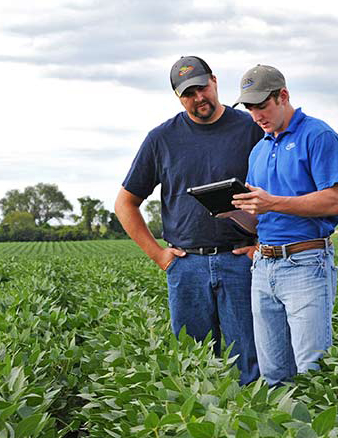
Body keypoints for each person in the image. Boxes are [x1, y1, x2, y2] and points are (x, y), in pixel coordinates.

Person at [114, 56, 263, 385]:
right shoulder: (162, 139)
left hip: (241, 262)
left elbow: (277, 192)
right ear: (178, 97)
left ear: (214, 80)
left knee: (249, 363)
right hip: (186, 267)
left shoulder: (250, 129)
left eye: (202, 87)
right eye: (188, 93)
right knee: (192, 367)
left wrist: (261, 244)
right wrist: (160, 256)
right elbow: (125, 203)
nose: (198, 98)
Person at [231, 64, 338, 386]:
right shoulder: (259, 149)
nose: (256, 115)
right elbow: (261, 212)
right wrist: (234, 212)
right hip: (263, 266)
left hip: (305, 263)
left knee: (312, 371)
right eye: (250, 108)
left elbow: (335, 201)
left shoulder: (318, 135)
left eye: (262, 105)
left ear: (283, 96)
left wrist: (273, 202)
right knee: (273, 375)